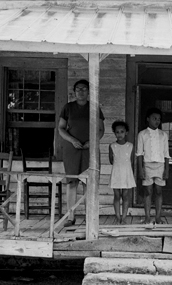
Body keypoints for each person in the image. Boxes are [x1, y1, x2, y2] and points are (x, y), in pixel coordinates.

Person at [58, 79, 105, 226]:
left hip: (89, 150)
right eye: (78, 89)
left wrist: (93, 142)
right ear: (74, 91)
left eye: (84, 89)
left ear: (88, 91)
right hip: (72, 149)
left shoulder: (94, 107)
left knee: (88, 182)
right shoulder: (68, 107)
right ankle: (70, 216)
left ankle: (89, 216)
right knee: (72, 182)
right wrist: (72, 140)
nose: (81, 92)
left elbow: (101, 129)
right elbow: (61, 128)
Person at [136, 107, 170, 224]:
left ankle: (158, 217)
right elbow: (139, 154)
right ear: (148, 119)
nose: (157, 121)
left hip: (160, 165)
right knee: (148, 191)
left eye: (159, 119)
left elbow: (166, 154)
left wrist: (167, 169)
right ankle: (147, 217)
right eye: (154, 118)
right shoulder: (142, 134)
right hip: (147, 165)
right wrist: (140, 169)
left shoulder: (163, 135)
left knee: (159, 191)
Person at [109, 120, 136, 225]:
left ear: (126, 133)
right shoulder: (112, 146)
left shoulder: (130, 146)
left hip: (126, 173)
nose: (119, 134)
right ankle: (117, 216)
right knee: (116, 195)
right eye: (117, 132)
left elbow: (131, 160)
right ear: (114, 133)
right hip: (116, 173)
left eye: (122, 132)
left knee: (125, 196)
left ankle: (124, 217)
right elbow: (111, 160)